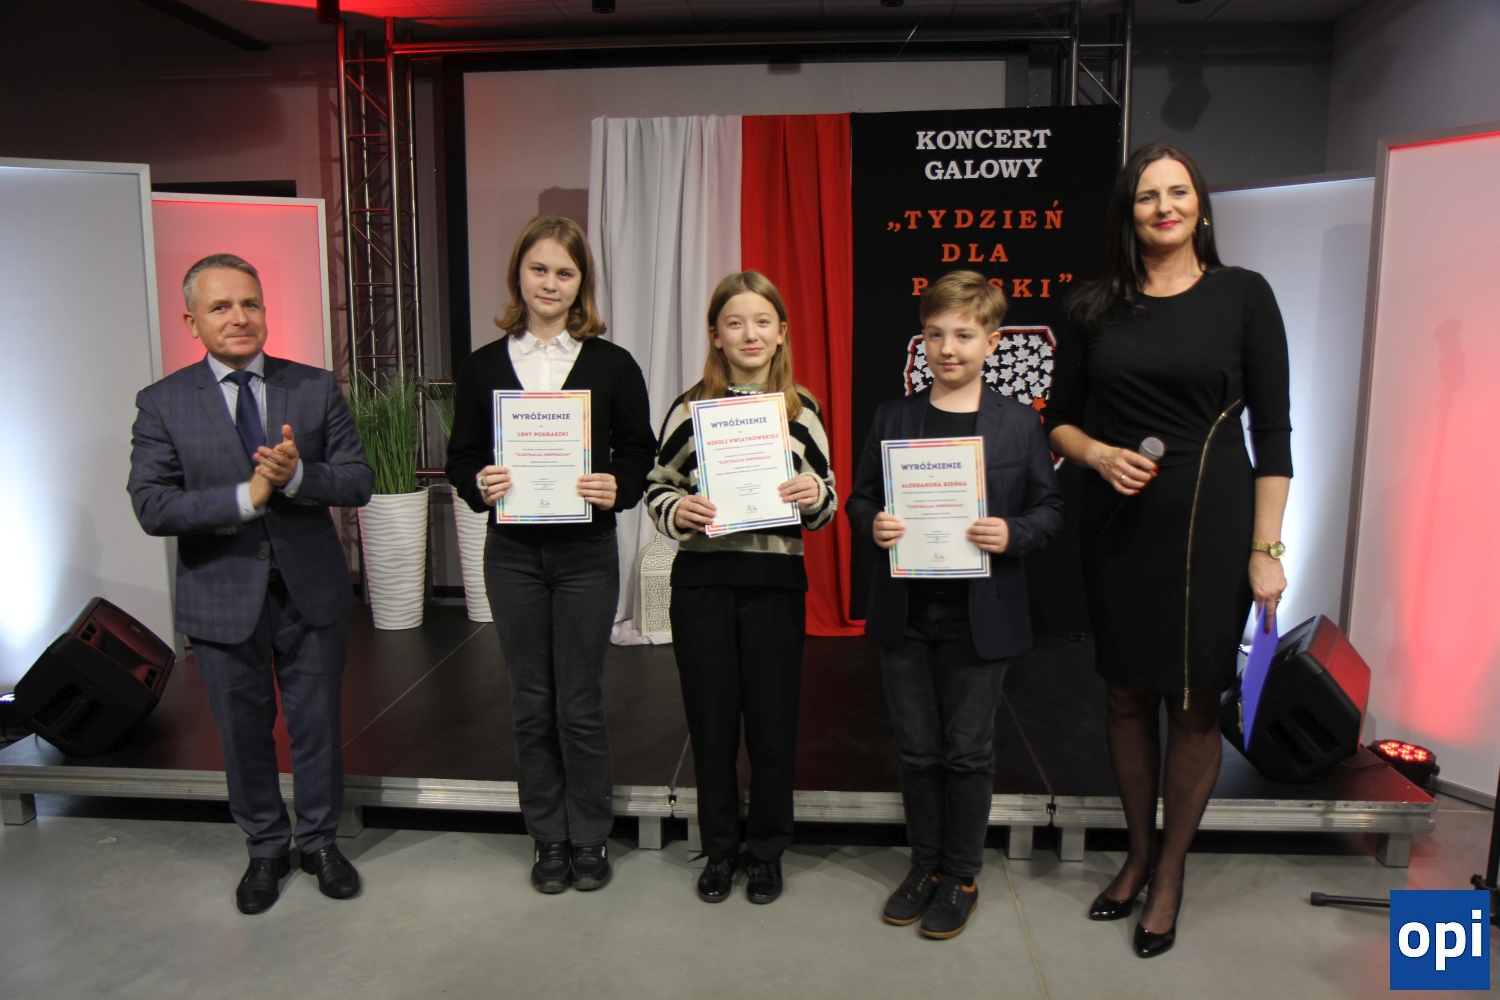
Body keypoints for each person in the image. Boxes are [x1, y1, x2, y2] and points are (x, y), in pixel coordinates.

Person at [1044, 143, 1292, 958]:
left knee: (1192, 703)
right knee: (1123, 696)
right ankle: (1137, 853)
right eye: (1148, 195)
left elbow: (1274, 434)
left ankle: (1171, 872)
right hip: (1118, 526)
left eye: (1178, 191)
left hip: (1210, 527)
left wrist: (1266, 547)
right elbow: (1060, 420)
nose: (1164, 207)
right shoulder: (1093, 307)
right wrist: (1095, 455)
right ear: (1130, 213)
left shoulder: (1244, 295)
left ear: (1200, 205)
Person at [128, 254, 374, 915]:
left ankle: (320, 843)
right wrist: (247, 496)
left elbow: (357, 479)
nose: (239, 317)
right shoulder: (163, 402)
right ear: (191, 322)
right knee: (242, 733)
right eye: (220, 307)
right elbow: (152, 505)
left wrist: (298, 478)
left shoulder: (313, 387)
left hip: (311, 591)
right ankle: (265, 847)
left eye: (250, 303)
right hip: (219, 596)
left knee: (317, 726)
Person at [846, 271, 1064, 940]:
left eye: (964, 335)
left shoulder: (1017, 423)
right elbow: (859, 498)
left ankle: (961, 875)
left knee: (967, 752)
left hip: (981, 612)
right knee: (916, 751)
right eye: (936, 334)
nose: (948, 348)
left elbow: (1050, 509)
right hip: (907, 610)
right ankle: (924, 867)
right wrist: (874, 523)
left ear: (992, 341)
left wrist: (1013, 533)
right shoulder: (894, 416)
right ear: (923, 338)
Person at [445, 216, 655, 894]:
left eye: (565, 272)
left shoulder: (612, 364)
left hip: (586, 553)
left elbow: (639, 451)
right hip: (511, 554)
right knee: (531, 702)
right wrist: (478, 482)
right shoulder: (483, 365)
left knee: (581, 702)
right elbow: (461, 458)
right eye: (539, 269)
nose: (550, 283)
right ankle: (548, 837)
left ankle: (589, 835)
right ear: (519, 273)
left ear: (581, 283)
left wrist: (618, 484)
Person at [645, 271, 837, 906]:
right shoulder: (689, 408)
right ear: (715, 335)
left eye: (762, 321)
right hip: (702, 583)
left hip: (774, 584)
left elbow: (827, 503)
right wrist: (678, 509)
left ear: (781, 333)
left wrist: (813, 493)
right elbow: (657, 487)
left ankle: (767, 851)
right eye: (735, 322)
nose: (749, 334)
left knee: (773, 728)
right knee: (712, 727)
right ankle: (721, 849)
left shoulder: (801, 410)